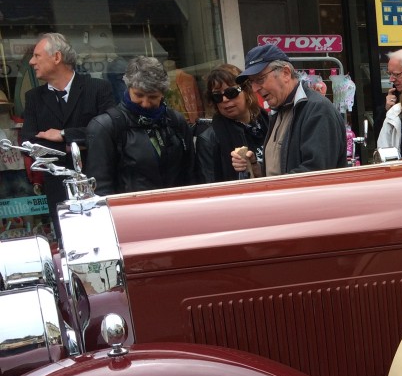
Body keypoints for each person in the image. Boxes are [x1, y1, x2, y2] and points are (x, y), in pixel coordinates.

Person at [22, 32, 115, 230]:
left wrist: (64, 134)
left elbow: (110, 131)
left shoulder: (98, 88)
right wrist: (75, 146)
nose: (31, 61)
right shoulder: (34, 98)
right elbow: (28, 143)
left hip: (97, 183)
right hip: (58, 190)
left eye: (37, 56)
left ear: (57, 57)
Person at [231, 44, 346, 177]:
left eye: (260, 79)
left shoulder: (318, 110)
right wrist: (255, 167)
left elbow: (316, 173)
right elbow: (277, 171)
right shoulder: (279, 110)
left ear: (285, 73)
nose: (255, 88)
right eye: (252, 82)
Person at [86, 56, 195, 195]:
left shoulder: (175, 121)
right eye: (139, 95)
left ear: (163, 94)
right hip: (130, 212)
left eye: (153, 97)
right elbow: (100, 186)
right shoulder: (105, 126)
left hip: (176, 207)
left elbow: (190, 173)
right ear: (128, 87)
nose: (145, 103)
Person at [195, 64, 269, 182]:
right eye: (217, 96)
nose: (225, 100)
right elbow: (210, 187)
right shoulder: (209, 139)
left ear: (246, 90)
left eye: (231, 92)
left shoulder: (269, 121)